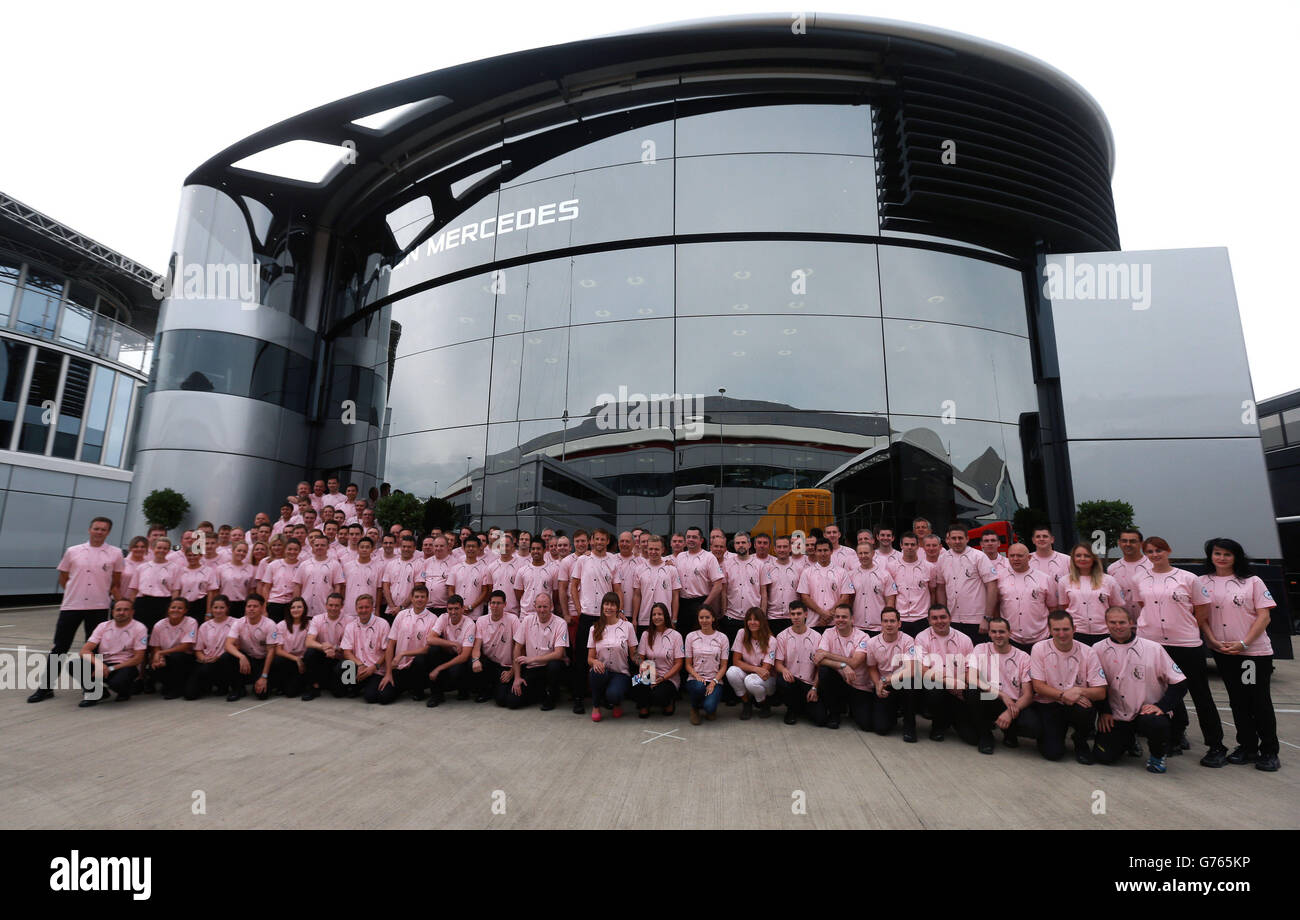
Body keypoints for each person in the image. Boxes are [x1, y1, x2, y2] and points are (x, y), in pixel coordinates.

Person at [1135, 536, 1227, 767]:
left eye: (1159, 550)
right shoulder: (1141, 578)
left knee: (1200, 695)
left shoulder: (1188, 578)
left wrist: (1185, 628)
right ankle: (1174, 738)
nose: (1155, 555)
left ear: (1168, 551)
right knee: (1166, 695)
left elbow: (1202, 610)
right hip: (1154, 644)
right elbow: (1141, 606)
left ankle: (1216, 746)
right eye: (1150, 551)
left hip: (1186, 644)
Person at [1198, 537, 1280, 772]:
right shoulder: (1203, 582)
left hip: (1252, 654)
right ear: (1210, 556)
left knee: (1258, 700)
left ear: (1236, 557)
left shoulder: (1251, 582)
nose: (1221, 558)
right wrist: (1212, 640)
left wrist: (1244, 643)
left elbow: (1264, 616)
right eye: (1217, 554)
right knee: (1238, 700)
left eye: (1227, 554)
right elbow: (1201, 616)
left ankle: (1269, 751)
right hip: (1224, 652)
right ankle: (1247, 747)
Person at [29, 517, 125, 703]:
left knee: (95, 650)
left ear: (108, 532)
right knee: (60, 647)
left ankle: (93, 689)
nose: (99, 532)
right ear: (89, 529)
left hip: (98, 607)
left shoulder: (115, 553)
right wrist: (76, 593)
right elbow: (64, 578)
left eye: (103, 529)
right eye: (96, 528)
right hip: (72, 606)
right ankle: (45, 687)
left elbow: (116, 581)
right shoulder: (73, 551)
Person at [1091, 606, 1189, 774]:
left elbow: (1180, 684)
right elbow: (1095, 685)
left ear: (1131, 623)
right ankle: (1129, 740)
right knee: (1103, 757)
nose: (1118, 626)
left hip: (1146, 713)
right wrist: (1104, 711)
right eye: (1112, 622)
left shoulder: (1153, 648)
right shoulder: (1097, 649)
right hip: (1117, 714)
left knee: (1156, 723)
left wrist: (1162, 706)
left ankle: (1158, 755)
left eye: (1122, 622)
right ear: (1106, 624)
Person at [1026, 610, 1108, 763]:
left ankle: (1080, 741)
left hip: (1076, 703)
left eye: (1066, 629)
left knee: (1086, 709)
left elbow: (1101, 692)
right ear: (1050, 630)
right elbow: (1038, 686)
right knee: (1053, 754)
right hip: (1049, 704)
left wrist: (1079, 691)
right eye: (1056, 630)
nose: (1061, 634)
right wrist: (1063, 696)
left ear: (1074, 629)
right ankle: (1052, 734)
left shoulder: (1088, 652)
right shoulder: (1039, 648)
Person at [963, 615, 1033, 753]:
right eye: (994, 632)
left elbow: (1028, 695)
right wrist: (1001, 694)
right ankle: (985, 735)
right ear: (989, 633)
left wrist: (1009, 712)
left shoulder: (1023, 657)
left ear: (1010, 633)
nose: (998, 635)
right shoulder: (981, 648)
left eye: (1002, 632)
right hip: (990, 699)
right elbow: (970, 678)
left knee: (1033, 727)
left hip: (1012, 704)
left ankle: (1010, 733)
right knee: (971, 691)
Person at [569, 528, 617, 713]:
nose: (599, 542)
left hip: (606, 616)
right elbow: (573, 585)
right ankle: (578, 697)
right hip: (587, 615)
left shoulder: (613, 560)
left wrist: (618, 610)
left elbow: (617, 588)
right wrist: (579, 608)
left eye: (603, 539)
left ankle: (604, 696)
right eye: (596, 539)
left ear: (607, 541)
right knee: (581, 658)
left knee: (605, 657)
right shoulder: (582, 561)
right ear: (591, 540)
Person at [501, 592, 568, 710]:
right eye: (539, 607)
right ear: (534, 606)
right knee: (512, 702)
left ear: (551, 607)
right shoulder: (527, 620)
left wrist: (532, 658)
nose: (542, 610)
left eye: (545, 606)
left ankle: (551, 696)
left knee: (555, 665)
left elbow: (559, 653)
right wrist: (517, 677)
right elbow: (517, 648)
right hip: (531, 668)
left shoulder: (560, 623)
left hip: (548, 668)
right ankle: (540, 693)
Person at [76, 598, 148, 707]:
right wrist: (99, 665)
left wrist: (111, 668)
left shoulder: (139, 628)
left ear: (132, 612)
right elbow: (84, 651)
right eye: (118, 610)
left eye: (126, 610)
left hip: (125, 665)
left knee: (117, 683)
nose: (121, 612)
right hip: (103, 663)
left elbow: (138, 658)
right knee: (75, 665)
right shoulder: (103, 626)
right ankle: (96, 693)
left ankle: (124, 691)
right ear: (113, 612)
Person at [376, 584, 440, 704]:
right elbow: (390, 644)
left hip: (417, 668)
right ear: (411, 598)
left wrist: (404, 653)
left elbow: (427, 649)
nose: (419, 599)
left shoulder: (433, 619)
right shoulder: (401, 615)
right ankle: (404, 687)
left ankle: (418, 689)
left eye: (422, 597)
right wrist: (388, 673)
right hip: (399, 668)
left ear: (427, 599)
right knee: (383, 698)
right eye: (416, 596)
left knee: (420, 660)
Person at [814, 603, 873, 731]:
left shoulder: (863, 637)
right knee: (824, 672)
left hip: (859, 684)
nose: (840, 620)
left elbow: (855, 662)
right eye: (837, 617)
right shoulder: (828, 633)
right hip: (839, 682)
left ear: (852, 619)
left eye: (844, 617)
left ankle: (852, 707)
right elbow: (819, 659)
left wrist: (827, 654)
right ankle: (835, 713)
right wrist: (842, 666)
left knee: (866, 725)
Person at [865, 607, 921, 740]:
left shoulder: (908, 641)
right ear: (881, 624)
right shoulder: (872, 643)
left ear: (899, 623)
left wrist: (889, 679)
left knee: (911, 683)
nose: (889, 624)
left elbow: (911, 669)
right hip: (884, 685)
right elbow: (872, 667)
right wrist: (878, 684)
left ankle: (909, 726)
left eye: (892, 621)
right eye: (885, 621)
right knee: (881, 729)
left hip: (901, 681)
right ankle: (892, 715)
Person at [935, 524, 998, 642]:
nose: (957, 541)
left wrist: (987, 618)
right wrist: (943, 615)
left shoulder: (979, 556)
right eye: (954, 538)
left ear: (967, 539)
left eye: (960, 538)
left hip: (977, 620)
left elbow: (992, 586)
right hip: (953, 619)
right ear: (948, 540)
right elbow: (940, 588)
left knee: (979, 658)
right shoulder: (942, 558)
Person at [993, 543, 1058, 652]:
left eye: (1020, 555)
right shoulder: (999, 577)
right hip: (1010, 638)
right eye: (1012, 556)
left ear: (1029, 557)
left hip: (1041, 637)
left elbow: (1053, 608)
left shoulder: (1045, 579)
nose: (1015, 559)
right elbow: (996, 606)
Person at [1057, 543, 1125, 645]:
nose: (1082, 559)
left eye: (1087, 555)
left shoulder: (1109, 580)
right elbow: (1064, 606)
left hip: (1104, 632)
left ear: (1093, 558)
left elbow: (1117, 607)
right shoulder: (1064, 581)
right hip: (1076, 632)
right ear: (1073, 559)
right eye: (1078, 556)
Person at [587, 591, 639, 722]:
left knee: (614, 694)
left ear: (617, 608)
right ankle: (596, 706)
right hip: (602, 671)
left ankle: (616, 702)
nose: (609, 607)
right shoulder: (594, 628)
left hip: (620, 673)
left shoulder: (627, 626)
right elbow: (590, 658)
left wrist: (644, 664)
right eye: (606, 604)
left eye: (612, 605)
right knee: (595, 672)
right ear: (602, 606)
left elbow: (634, 654)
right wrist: (594, 662)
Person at [221, 593, 280, 702]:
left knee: (262, 695)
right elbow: (228, 644)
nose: (251, 609)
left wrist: (264, 676)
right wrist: (241, 657)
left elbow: (271, 651)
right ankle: (238, 689)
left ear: (262, 608)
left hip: (264, 660)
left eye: (255, 606)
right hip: (248, 658)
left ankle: (264, 681)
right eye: (249, 606)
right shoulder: (239, 622)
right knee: (226, 657)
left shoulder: (270, 624)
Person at [631, 602, 684, 717]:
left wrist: (663, 678)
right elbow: (638, 657)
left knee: (659, 695)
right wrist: (642, 664)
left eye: (660, 614)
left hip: (668, 677)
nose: (656, 617)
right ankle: (644, 706)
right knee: (634, 683)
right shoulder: (646, 634)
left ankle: (668, 702)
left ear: (666, 616)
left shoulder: (676, 636)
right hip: (650, 673)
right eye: (654, 614)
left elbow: (679, 663)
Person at [774, 600, 821, 725]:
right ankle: (792, 709)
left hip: (809, 683)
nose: (795, 617)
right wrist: (784, 670)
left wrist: (815, 688)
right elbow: (778, 663)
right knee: (781, 681)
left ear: (806, 614)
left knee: (820, 720)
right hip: (792, 682)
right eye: (793, 614)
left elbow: (820, 668)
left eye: (799, 613)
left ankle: (803, 706)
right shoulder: (782, 636)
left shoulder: (817, 637)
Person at [425, 594, 476, 706]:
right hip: (449, 652)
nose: (453, 612)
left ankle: (463, 689)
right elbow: (430, 639)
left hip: (461, 658)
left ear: (463, 609)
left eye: (456, 609)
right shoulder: (443, 617)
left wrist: (439, 668)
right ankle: (436, 695)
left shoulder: (470, 624)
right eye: (450, 609)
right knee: (433, 650)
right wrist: (452, 643)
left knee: (457, 670)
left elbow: (465, 656)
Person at [726, 607, 777, 719]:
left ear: (762, 622)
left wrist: (756, 670)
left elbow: (765, 670)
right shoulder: (741, 633)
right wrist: (755, 669)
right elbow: (736, 661)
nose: (752, 622)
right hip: (750, 674)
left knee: (751, 681)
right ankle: (746, 703)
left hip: (766, 680)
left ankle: (764, 704)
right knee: (731, 672)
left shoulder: (771, 640)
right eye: (750, 619)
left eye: (756, 619)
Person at [674, 526, 724, 637]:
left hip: (700, 602)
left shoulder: (709, 557)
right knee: (682, 636)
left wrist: (704, 604)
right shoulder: (680, 557)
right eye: (688, 537)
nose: (691, 539)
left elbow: (718, 585)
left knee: (699, 637)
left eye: (694, 537)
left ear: (701, 540)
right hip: (682, 604)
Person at [471, 590, 520, 703]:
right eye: (492, 603)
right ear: (489, 604)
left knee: (501, 700)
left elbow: (519, 647)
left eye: (498, 603)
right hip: (490, 663)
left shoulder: (513, 620)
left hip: (506, 666)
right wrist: (475, 660)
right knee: (473, 662)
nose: (495, 606)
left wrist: (512, 670)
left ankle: (495, 688)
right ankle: (485, 690)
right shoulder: (481, 620)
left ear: (505, 605)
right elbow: (477, 646)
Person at [340, 594, 391, 703]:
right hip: (359, 667)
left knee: (370, 697)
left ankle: (364, 686)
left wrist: (375, 666)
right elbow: (346, 651)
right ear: (356, 609)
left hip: (376, 669)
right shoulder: (350, 626)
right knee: (343, 666)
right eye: (360, 608)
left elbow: (388, 651)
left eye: (367, 607)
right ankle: (352, 688)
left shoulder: (383, 624)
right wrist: (360, 664)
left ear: (372, 608)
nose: (363, 610)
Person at [684, 605, 729, 725]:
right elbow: (687, 664)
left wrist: (714, 681)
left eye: (707, 617)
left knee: (710, 708)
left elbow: (724, 666)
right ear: (698, 619)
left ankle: (708, 705)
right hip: (696, 679)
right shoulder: (691, 637)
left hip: (715, 680)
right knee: (699, 687)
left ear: (713, 619)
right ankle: (695, 708)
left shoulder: (722, 638)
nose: (704, 620)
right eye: (701, 617)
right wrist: (697, 676)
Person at [186, 594, 235, 700]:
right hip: (207, 661)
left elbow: (238, 645)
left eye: (222, 607)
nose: (218, 610)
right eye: (215, 607)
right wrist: (204, 659)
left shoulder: (235, 623)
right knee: (190, 694)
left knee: (225, 660)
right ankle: (207, 686)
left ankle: (224, 686)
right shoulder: (205, 626)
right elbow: (198, 650)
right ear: (211, 609)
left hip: (224, 660)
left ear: (227, 608)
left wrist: (218, 658)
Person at [146, 597, 197, 699]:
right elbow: (156, 646)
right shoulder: (159, 625)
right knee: (154, 666)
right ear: (168, 609)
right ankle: (169, 685)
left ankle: (176, 688)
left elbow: (186, 646)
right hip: (166, 656)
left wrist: (161, 653)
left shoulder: (191, 622)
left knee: (176, 657)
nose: (176, 610)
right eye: (173, 607)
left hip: (185, 658)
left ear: (185, 611)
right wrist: (159, 658)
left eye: (180, 608)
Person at [630, 535, 680, 636]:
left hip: (665, 619)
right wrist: (634, 619)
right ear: (647, 549)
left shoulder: (671, 569)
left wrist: (674, 619)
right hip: (644, 619)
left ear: (662, 550)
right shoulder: (639, 569)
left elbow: (675, 596)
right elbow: (637, 595)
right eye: (651, 549)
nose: (653, 552)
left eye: (656, 549)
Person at [302, 592, 350, 700]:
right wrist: (325, 647)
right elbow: (309, 642)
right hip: (324, 656)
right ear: (326, 605)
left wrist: (335, 648)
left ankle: (347, 686)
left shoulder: (349, 620)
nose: (333, 608)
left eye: (337, 605)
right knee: (310, 653)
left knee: (339, 693)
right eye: (330, 605)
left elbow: (350, 646)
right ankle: (313, 687)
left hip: (340, 658)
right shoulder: (317, 619)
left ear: (342, 606)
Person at [125, 537, 176, 636]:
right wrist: (130, 607)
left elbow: (175, 591)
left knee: (157, 633)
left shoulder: (174, 568)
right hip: (142, 603)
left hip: (163, 603)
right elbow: (134, 590)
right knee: (139, 632)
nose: (162, 550)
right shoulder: (142, 567)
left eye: (165, 548)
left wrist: (172, 607)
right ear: (153, 549)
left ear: (169, 550)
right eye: (159, 548)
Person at [843, 545, 898, 635]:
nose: (863, 556)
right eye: (860, 553)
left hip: (879, 627)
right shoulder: (851, 575)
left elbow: (890, 602)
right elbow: (848, 601)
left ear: (873, 554)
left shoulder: (884, 575)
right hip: (857, 627)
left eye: (866, 553)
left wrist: (886, 624)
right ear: (857, 555)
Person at [720, 533, 764, 646]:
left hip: (753, 618)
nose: (741, 545)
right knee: (731, 651)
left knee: (753, 650)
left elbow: (764, 592)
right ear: (734, 546)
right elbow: (723, 591)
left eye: (743, 542)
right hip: (732, 617)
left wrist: (762, 615)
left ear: (749, 544)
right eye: (737, 543)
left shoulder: (760, 565)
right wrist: (724, 612)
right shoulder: (726, 564)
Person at [892, 533, 938, 637]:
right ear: (901, 545)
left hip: (922, 618)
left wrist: (931, 615)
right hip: (901, 618)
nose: (909, 547)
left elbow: (933, 592)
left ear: (918, 546)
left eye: (913, 544)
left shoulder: (929, 567)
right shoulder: (892, 567)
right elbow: (891, 595)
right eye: (906, 544)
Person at [797, 539, 847, 630]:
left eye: (825, 550)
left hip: (836, 622)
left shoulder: (842, 572)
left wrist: (830, 614)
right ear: (815, 552)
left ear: (831, 551)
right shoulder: (806, 572)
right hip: (814, 623)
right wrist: (822, 613)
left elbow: (845, 597)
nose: (823, 553)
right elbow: (804, 597)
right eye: (819, 551)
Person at [1107, 529, 1151, 621]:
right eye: (1124, 541)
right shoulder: (1112, 568)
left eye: (1132, 541)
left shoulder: (1152, 566)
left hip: (1149, 621)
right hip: (1122, 625)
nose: (1128, 544)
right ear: (1119, 543)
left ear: (1141, 544)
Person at [270, 597, 311, 697]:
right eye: (293, 607)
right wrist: (296, 659)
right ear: (289, 610)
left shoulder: (310, 624)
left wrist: (300, 660)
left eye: (299, 607)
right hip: (288, 660)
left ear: (304, 609)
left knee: (291, 692)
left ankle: (308, 684)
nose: (296, 610)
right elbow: (278, 651)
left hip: (303, 662)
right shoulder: (281, 625)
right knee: (277, 660)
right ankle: (281, 684)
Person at [760, 535, 801, 633]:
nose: (782, 550)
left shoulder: (799, 568)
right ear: (774, 549)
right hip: (772, 618)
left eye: (785, 547)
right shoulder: (767, 568)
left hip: (793, 617)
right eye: (779, 547)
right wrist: (763, 616)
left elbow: (802, 595)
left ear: (790, 548)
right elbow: (764, 594)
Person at [259, 538, 302, 622]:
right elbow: (266, 588)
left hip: (293, 605)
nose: (292, 552)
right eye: (289, 549)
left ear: (299, 551)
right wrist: (264, 609)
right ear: (285, 550)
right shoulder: (273, 565)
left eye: (295, 549)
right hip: (274, 603)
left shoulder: (303, 565)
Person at [213, 541, 256, 619]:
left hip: (243, 604)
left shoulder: (250, 568)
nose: (241, 553)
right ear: (233, 551)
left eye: (244, 551)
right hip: (225, 605)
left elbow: (251, 590)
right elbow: (216, 591)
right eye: (239, 550)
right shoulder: (221, 569)